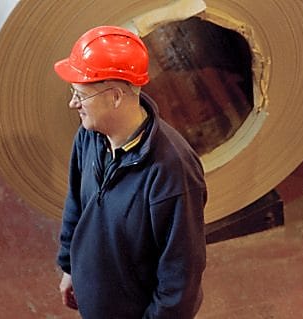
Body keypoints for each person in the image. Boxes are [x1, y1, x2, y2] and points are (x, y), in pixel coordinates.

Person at [53, 25, 208, 318]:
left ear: (115, 97)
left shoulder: (172, 173)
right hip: (96, 302)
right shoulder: (89, 136)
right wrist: (69, 268)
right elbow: (76, 203)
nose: (73, 103)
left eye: (80, 94)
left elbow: (180, 278)